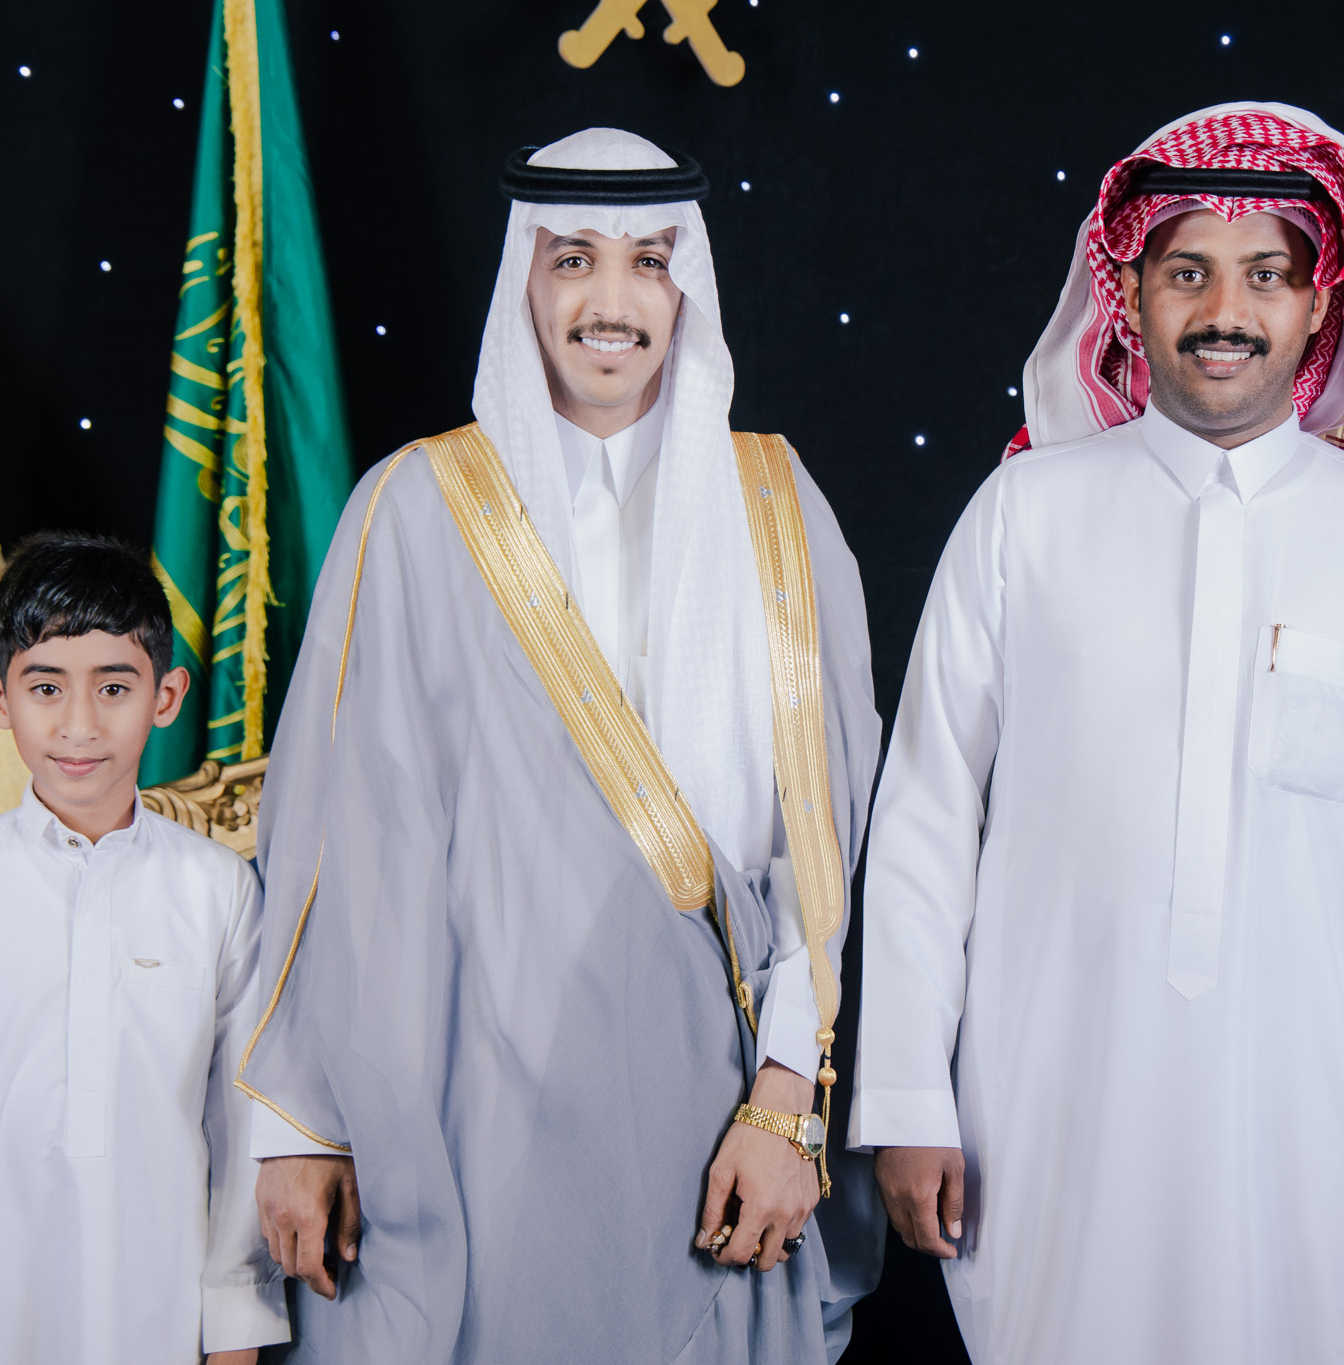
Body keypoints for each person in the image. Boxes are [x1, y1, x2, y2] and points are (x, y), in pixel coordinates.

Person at [850, 103, 1344, 1363]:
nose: (1225, 310)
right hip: (1042, 1125)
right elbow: (925, 821)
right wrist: (902, 1094)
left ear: (1319, 305)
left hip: (1320, 1146)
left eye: (1265, 275)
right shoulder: (1021, 514)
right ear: (1128, 295)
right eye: (1186, 273)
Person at [238, 128, 883, 1363]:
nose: (610, 302)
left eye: (648, 262)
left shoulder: (776, 508)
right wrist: (303, 1124)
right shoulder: (414, 508)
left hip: (717, 1109)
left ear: (685, 288)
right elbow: (330, 841)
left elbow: (824, 839)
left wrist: (787, 1102)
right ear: (521, 282)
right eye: (572, 259)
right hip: (466, 1100)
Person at [0, 532, 287, 1365]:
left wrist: (236, 1333)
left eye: (114, 686)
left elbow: (243, 1122)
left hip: (161, 1316)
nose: (79, 724)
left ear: (167, 695)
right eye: (45, 687)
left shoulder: (217, 891)